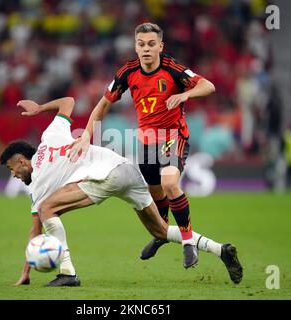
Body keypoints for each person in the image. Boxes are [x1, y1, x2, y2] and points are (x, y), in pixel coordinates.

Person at [0, 97, 243, 286]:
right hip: (126, 169)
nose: (14, 175)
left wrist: (25, 271)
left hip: (106, 177)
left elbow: (36, 230)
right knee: (159, 230)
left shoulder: (38, 184)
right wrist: (40, 107)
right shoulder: (50, 135)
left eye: (12, 169)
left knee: (46, 209)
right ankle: (221, 250)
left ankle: (67, 273)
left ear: (21, 161)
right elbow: (68, 102)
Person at [70, 22, 218, 268]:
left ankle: (188, 241)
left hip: (173, 135)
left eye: (151, 44)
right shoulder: (128, 72)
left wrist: (185, 94)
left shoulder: (172, 68)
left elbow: (208, 86)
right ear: (135, 47)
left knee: (170, 183)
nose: (146, 49)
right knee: (154, 193)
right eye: (141, 44)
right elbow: (103, 104)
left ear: (160, 46)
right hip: (147, 141)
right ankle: (161, 235)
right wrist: (86, 135)